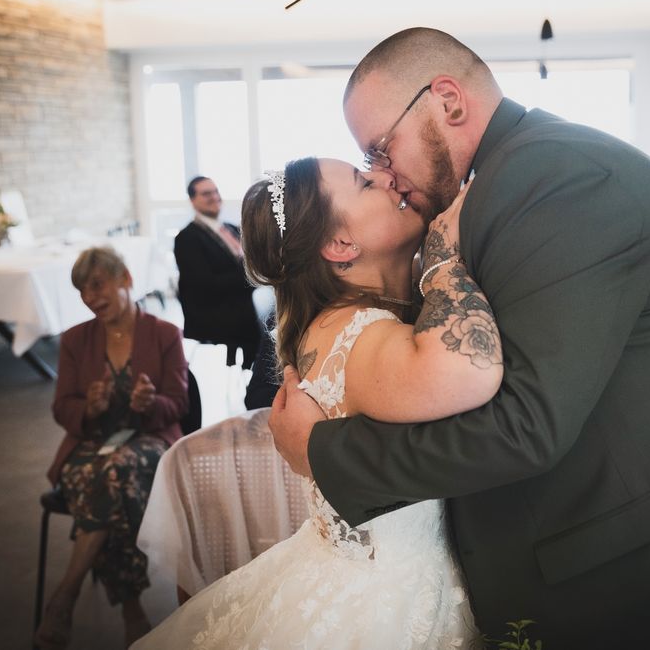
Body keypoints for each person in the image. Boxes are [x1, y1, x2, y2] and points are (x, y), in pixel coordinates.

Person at [269, 27, 650, 649]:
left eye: (381, 148)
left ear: (448, 101)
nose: (386, 175)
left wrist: (325, 453)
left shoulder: (557, 179)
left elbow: (527, 424)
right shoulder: (504, 180)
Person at [132, 157, 501, 649]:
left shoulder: (339, 318)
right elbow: (471, 369)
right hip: (383, 609)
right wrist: (441, 261)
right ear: (341, 245)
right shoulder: (361, 334)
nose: (388, 177)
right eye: (366, 182)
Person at [35, 246, 188, 650]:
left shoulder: (164, 334)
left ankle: (66, 594)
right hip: (93, 443)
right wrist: (89, 407)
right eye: (82, 291)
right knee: (106, 478)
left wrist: (150, 403)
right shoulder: (75, 340)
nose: (90, 298)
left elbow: (180, 404)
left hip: (151, 443)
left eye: (97, 285)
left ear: (126, 280)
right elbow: (61, 406)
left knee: (115, 472)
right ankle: (131, 611)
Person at [174, 176, 261, 368]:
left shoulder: (231, 228)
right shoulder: (187, 238)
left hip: (240, 300)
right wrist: (253, 276)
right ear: (192, 200)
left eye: (216, 192)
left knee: (274, 307)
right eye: (206, 194)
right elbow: (204, 285)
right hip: (213, 311)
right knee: (267, 319)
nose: (214, 197)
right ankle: (261, 375)